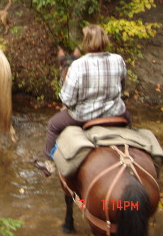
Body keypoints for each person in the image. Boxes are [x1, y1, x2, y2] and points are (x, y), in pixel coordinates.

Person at [36, 24, 132, 177]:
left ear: (86, 42)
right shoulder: (118, 60)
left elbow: (67, 98)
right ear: (105, 40)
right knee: (129, 119)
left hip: (83, 116)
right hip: (115, 112)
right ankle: (129, 150)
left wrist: (71, 104)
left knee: (53, 125)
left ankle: (49, 163)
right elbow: (122, 85)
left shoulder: (78, 65)